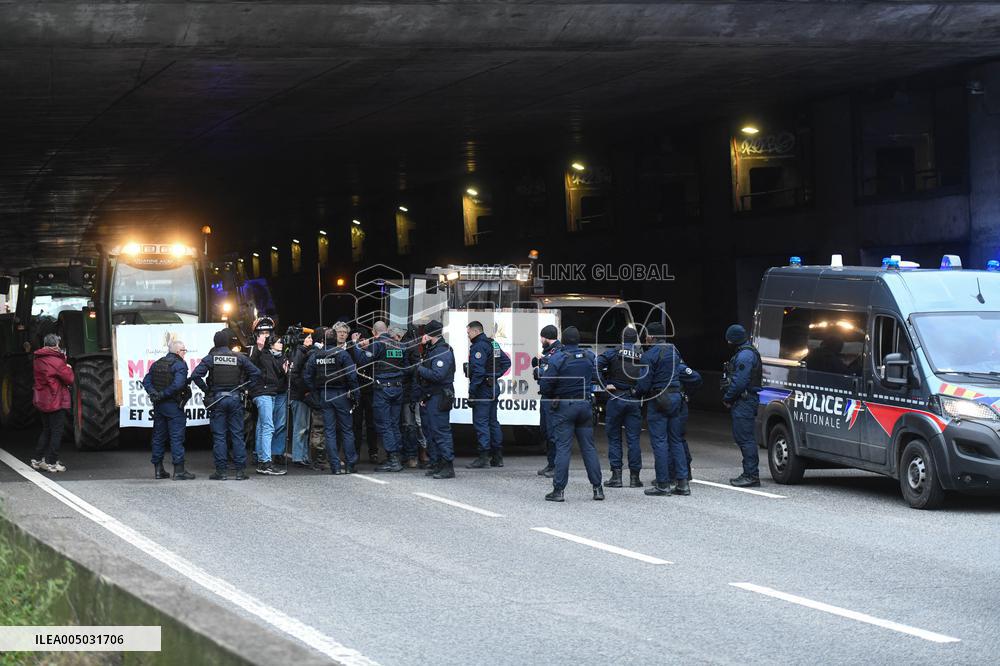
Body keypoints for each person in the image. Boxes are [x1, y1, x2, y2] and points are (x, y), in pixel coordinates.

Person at [539, 326, 603, 502]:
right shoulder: (589, 356)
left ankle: (558, 491)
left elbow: (545, 385)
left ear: (564, 340)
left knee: (563, 448)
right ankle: (598, 489)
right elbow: (597, 377)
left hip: (564, 407)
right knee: (589, 448)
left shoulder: (558, 358)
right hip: (585, 405)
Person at [191, 329, 261, 480]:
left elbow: (195, 375)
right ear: (228, 342)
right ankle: (240, 472)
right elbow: (256, 373)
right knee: (237, 435)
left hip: (217, 400)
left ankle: (221, 472)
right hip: (235, 399)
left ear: (215, 343)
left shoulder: (211, 358)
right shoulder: (238, 357)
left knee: (220, 437)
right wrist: (245, 388)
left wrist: (207, 390)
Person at [633, 322, 691, 496]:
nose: (645, 338)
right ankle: (683, 484)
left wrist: (634, 392)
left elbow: (644, 384)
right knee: (676, 441)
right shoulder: (674, 351)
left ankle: (663, 484)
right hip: (676, 397)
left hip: (659, 399)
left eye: (646, 335)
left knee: (660, 442)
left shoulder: (649, 355)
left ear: (651, 336)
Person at [304, 324, 359, 474]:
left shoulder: (316, 355)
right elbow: (352, 376)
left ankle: (335, 466)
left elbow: (307, 376)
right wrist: (355, 394)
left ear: (323, 340)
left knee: (329, 431)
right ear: (335, 340)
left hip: (325, 395)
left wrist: (316, 392)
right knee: (347, 430)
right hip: (341, 394)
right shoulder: (342, 354)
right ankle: (350, 465)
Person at [597, 326, 645, 488]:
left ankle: (616, 477)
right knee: (633, 440)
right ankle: (635, 478)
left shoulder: (613, 353)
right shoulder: (642, 356)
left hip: (616, 397)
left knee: (614, 438)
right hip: (634, 399)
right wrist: (639, 390)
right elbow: (648, 377)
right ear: (636, 339)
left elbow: (595, 366)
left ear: (622, 338)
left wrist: (604, 384)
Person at [142, 339, 195, 480]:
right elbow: (178, 384)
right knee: (176, 438)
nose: (185, 353)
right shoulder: (180, 364)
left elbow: (146, 381)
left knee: (158, 437)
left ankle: (159, 470)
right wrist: (162, 394)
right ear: (178, 351)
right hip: (173, 405)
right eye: (184, 350)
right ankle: (179, 471)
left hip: (159, 406)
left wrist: (154, 394)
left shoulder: (157, 363)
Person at [360, 321, 406, 472]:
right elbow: (405, 365)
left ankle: (393, 459)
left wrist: (359, 347)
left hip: (383, 389)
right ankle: (397, 456)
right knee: (394, 424)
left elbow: (363, 361)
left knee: (385, 424)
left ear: (374, 332)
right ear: (386, 330)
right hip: (398, 388)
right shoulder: (400, 345)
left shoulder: (377, 344)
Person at [466, 320, 511, 469]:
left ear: (476, 331)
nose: (468, 335)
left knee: (481, 423)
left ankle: (483, 457)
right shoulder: (493, 343)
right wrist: (494, 376)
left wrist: (472, 392)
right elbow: (506, 362)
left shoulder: (479, 346)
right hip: (493, 387)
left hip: (482, 389)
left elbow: (478, 372)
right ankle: (497, 458)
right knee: (493, 422)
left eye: (468, 332)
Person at [415, 320, 457, 479]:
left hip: (439, 396)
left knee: (441, 431)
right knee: (432, 432)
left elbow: (437, 375)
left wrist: (419, 368)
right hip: (432, 396)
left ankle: (447, 465)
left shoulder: (442, 351)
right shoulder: (433, 349)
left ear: (428, 334)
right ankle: (438, 463)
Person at [723, 324, 762, 488]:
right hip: (745, 400)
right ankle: (750, 473)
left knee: (745, 439)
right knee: (744, 438)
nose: (728, 343)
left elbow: (740, 382)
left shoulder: (745, 356)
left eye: (729, 340)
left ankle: (751, 475)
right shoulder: (746, 352)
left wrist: (728, 397)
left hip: (744, 401)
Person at [31, 333, 73, 473]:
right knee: (56, 432)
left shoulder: (38, 359)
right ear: (56, 345)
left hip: (42, 399)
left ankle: (37, 460)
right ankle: (52, 462)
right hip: (56, 400)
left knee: (46, 430)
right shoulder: (56, 361)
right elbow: (69, 379)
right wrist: (68, 367)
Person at [248, 333, 289, 475]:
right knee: (268, 427)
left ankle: (262, 460)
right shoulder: (260, 353)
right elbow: (251, 364)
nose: (281, 344)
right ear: (271, 344)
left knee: (262, 426)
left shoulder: (275, 357)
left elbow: (277, 374)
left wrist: (285, 370)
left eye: (282, 342)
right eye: (278, 342)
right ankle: (266, 462)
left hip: (270, 392)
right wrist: (258, 349)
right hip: (262, 392)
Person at [288, 329, 322, 469]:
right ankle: (298, 457)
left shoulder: (302, 351)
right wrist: (305, 390)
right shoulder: (299, 352)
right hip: (299, 395)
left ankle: (303, 456)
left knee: (304, 427)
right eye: (308, 338)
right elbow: (294, 374)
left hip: (301, 395)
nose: (311, 340)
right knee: (301, 427)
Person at [534, 325, 561, 478]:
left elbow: (550, 373)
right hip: (546, 397)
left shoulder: (557, 352)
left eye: (541, 337)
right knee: (545, 431)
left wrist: (541, 363)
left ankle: (556, 466)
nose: (540, 340)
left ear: (546, 337)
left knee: (553, 434)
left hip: (553, 398)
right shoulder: (548, 353)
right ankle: (551, 464)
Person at [350, 325, 380, 464]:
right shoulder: (352, 351)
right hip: (357, 392)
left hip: (371, 392)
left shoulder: (373, 351)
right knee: (356, 424)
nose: (363, 342)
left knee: (371, 424)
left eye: (365, 339)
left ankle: (373, 452)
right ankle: (355, 452)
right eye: (360, 340)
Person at [399, 326, 428, 468]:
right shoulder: (414, 348)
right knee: (414, 424)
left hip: (407, 392)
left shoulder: (407, 347)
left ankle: (411, 455)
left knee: (409, 424)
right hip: (412, 392)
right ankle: (417, 454)